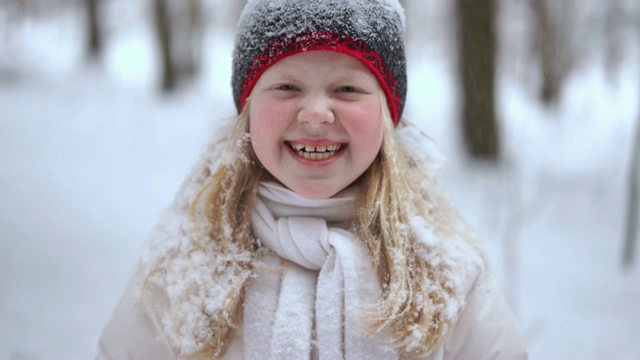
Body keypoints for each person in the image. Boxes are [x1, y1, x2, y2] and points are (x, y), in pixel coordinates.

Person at [96, 0, 528, 359]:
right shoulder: (189, 258)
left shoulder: (443, 266)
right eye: (286, 87)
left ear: (387, 112)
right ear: (247, 111)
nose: (316, 112)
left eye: (347, 90)